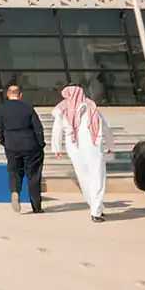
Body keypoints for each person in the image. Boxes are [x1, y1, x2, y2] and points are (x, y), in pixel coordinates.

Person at [50, 84, 113, 221]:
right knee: (97, 176)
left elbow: (57, 131)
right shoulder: (91, 107)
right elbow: (105, 127)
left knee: (83, 177)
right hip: (93, 146)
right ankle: (96, 209)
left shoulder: (63, 110)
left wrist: (57, 148)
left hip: (74, 148)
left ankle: (94, 206)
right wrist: (109, 144)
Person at [0, 84, 46, 213]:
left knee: (14, 171)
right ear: (20, 95)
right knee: (33, 175)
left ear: (7, 94)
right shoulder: (28, 108)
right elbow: (38, 128)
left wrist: (4, 141)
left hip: (12, 145)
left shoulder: (2, 109)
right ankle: (36, 206)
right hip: (30, 145)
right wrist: (40, 143)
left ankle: (15, 191)